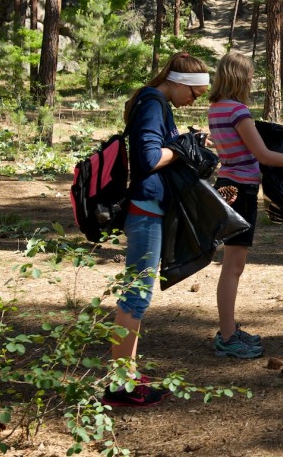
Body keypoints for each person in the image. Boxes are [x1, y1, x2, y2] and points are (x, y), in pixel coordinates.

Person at [105, 52, 210, 408]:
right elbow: (148, 159)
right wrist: (183, 149)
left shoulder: (155, 102)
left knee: (138, 295)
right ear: (180, 82)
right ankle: (119, 384)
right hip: (145, 209)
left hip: (149, 208)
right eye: (194, 95)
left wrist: (185, 145)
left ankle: (127, 375)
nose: (192, 102)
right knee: (136, 295)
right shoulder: (153, 102)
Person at [207, 52, 283, 359]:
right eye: (248, 75)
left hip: (226, 186)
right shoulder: (238, 112)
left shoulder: (216, 109)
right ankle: (227, 336)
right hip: (242, 191)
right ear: (238, 78)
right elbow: (263, 154)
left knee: (232, 264)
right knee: (233, 266)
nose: (251, 80)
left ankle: (229, 329)